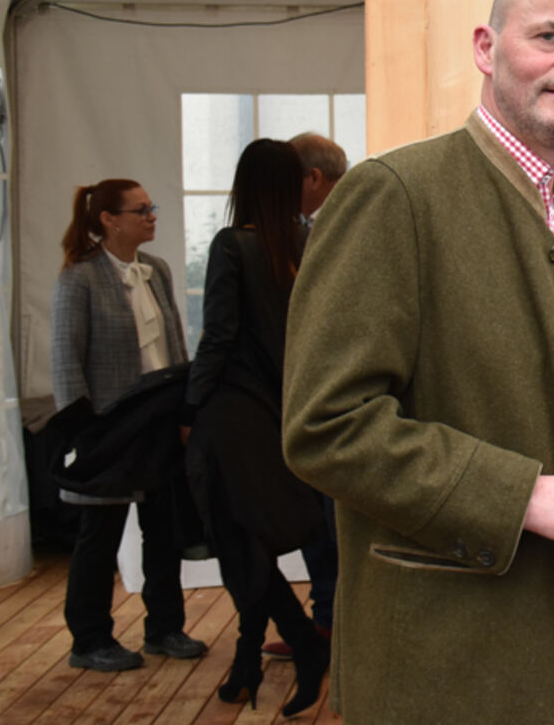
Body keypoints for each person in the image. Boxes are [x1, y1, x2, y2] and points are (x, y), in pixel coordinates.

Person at [281, 0, 554, 725]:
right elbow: (324, 428)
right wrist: (526, 495)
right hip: (452, 655)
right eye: (549, 37)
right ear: (485, 47)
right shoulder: (394, 194)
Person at [185, 139, 329, 715]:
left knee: (236, 540)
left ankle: (303, 646)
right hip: (282, 409)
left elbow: (218, 336)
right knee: (251, 540)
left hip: (230, 411)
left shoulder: (232, 244)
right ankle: (247, 663)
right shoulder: (306, 244)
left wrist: (189, 409)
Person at [50, 179, 207, 672]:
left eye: (150, 207)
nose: (151, 216)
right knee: (100, 532)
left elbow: (175, 347)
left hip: (159, 419)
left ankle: (165, 628)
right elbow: (65, 358)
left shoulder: (155, 270)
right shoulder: (80, 276)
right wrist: (83, 431)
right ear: (108, 220)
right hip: (110, 426)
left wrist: (187, 409)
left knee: (163, 529)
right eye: (141, 210)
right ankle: (89, 639)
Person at [260, 131, 349, 658]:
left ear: (312, 178)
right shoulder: (311, 227)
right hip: (326, 396)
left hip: (341, 399)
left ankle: (337, 629)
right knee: (321, 523)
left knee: (333, 526)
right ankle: (328, 624)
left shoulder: (345, 221)